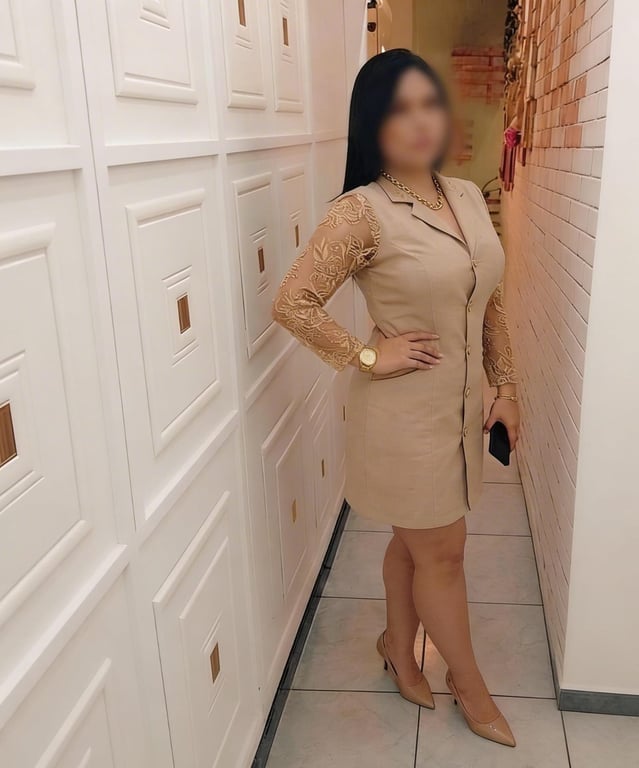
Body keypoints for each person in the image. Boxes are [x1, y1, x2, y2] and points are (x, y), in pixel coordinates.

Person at [271, 48, 520, 748]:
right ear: (372, 123)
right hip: (403, 419)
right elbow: (293, 301)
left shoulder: (464, 194)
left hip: (460, 412)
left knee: (414, 545)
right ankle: (468, 685)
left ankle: (395, 646)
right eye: (399, 108)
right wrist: (366, 355)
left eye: (428, 103)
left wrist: (505, 387)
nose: (419, 121)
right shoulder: (362, 212)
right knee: (442, 553)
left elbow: (487, 300)